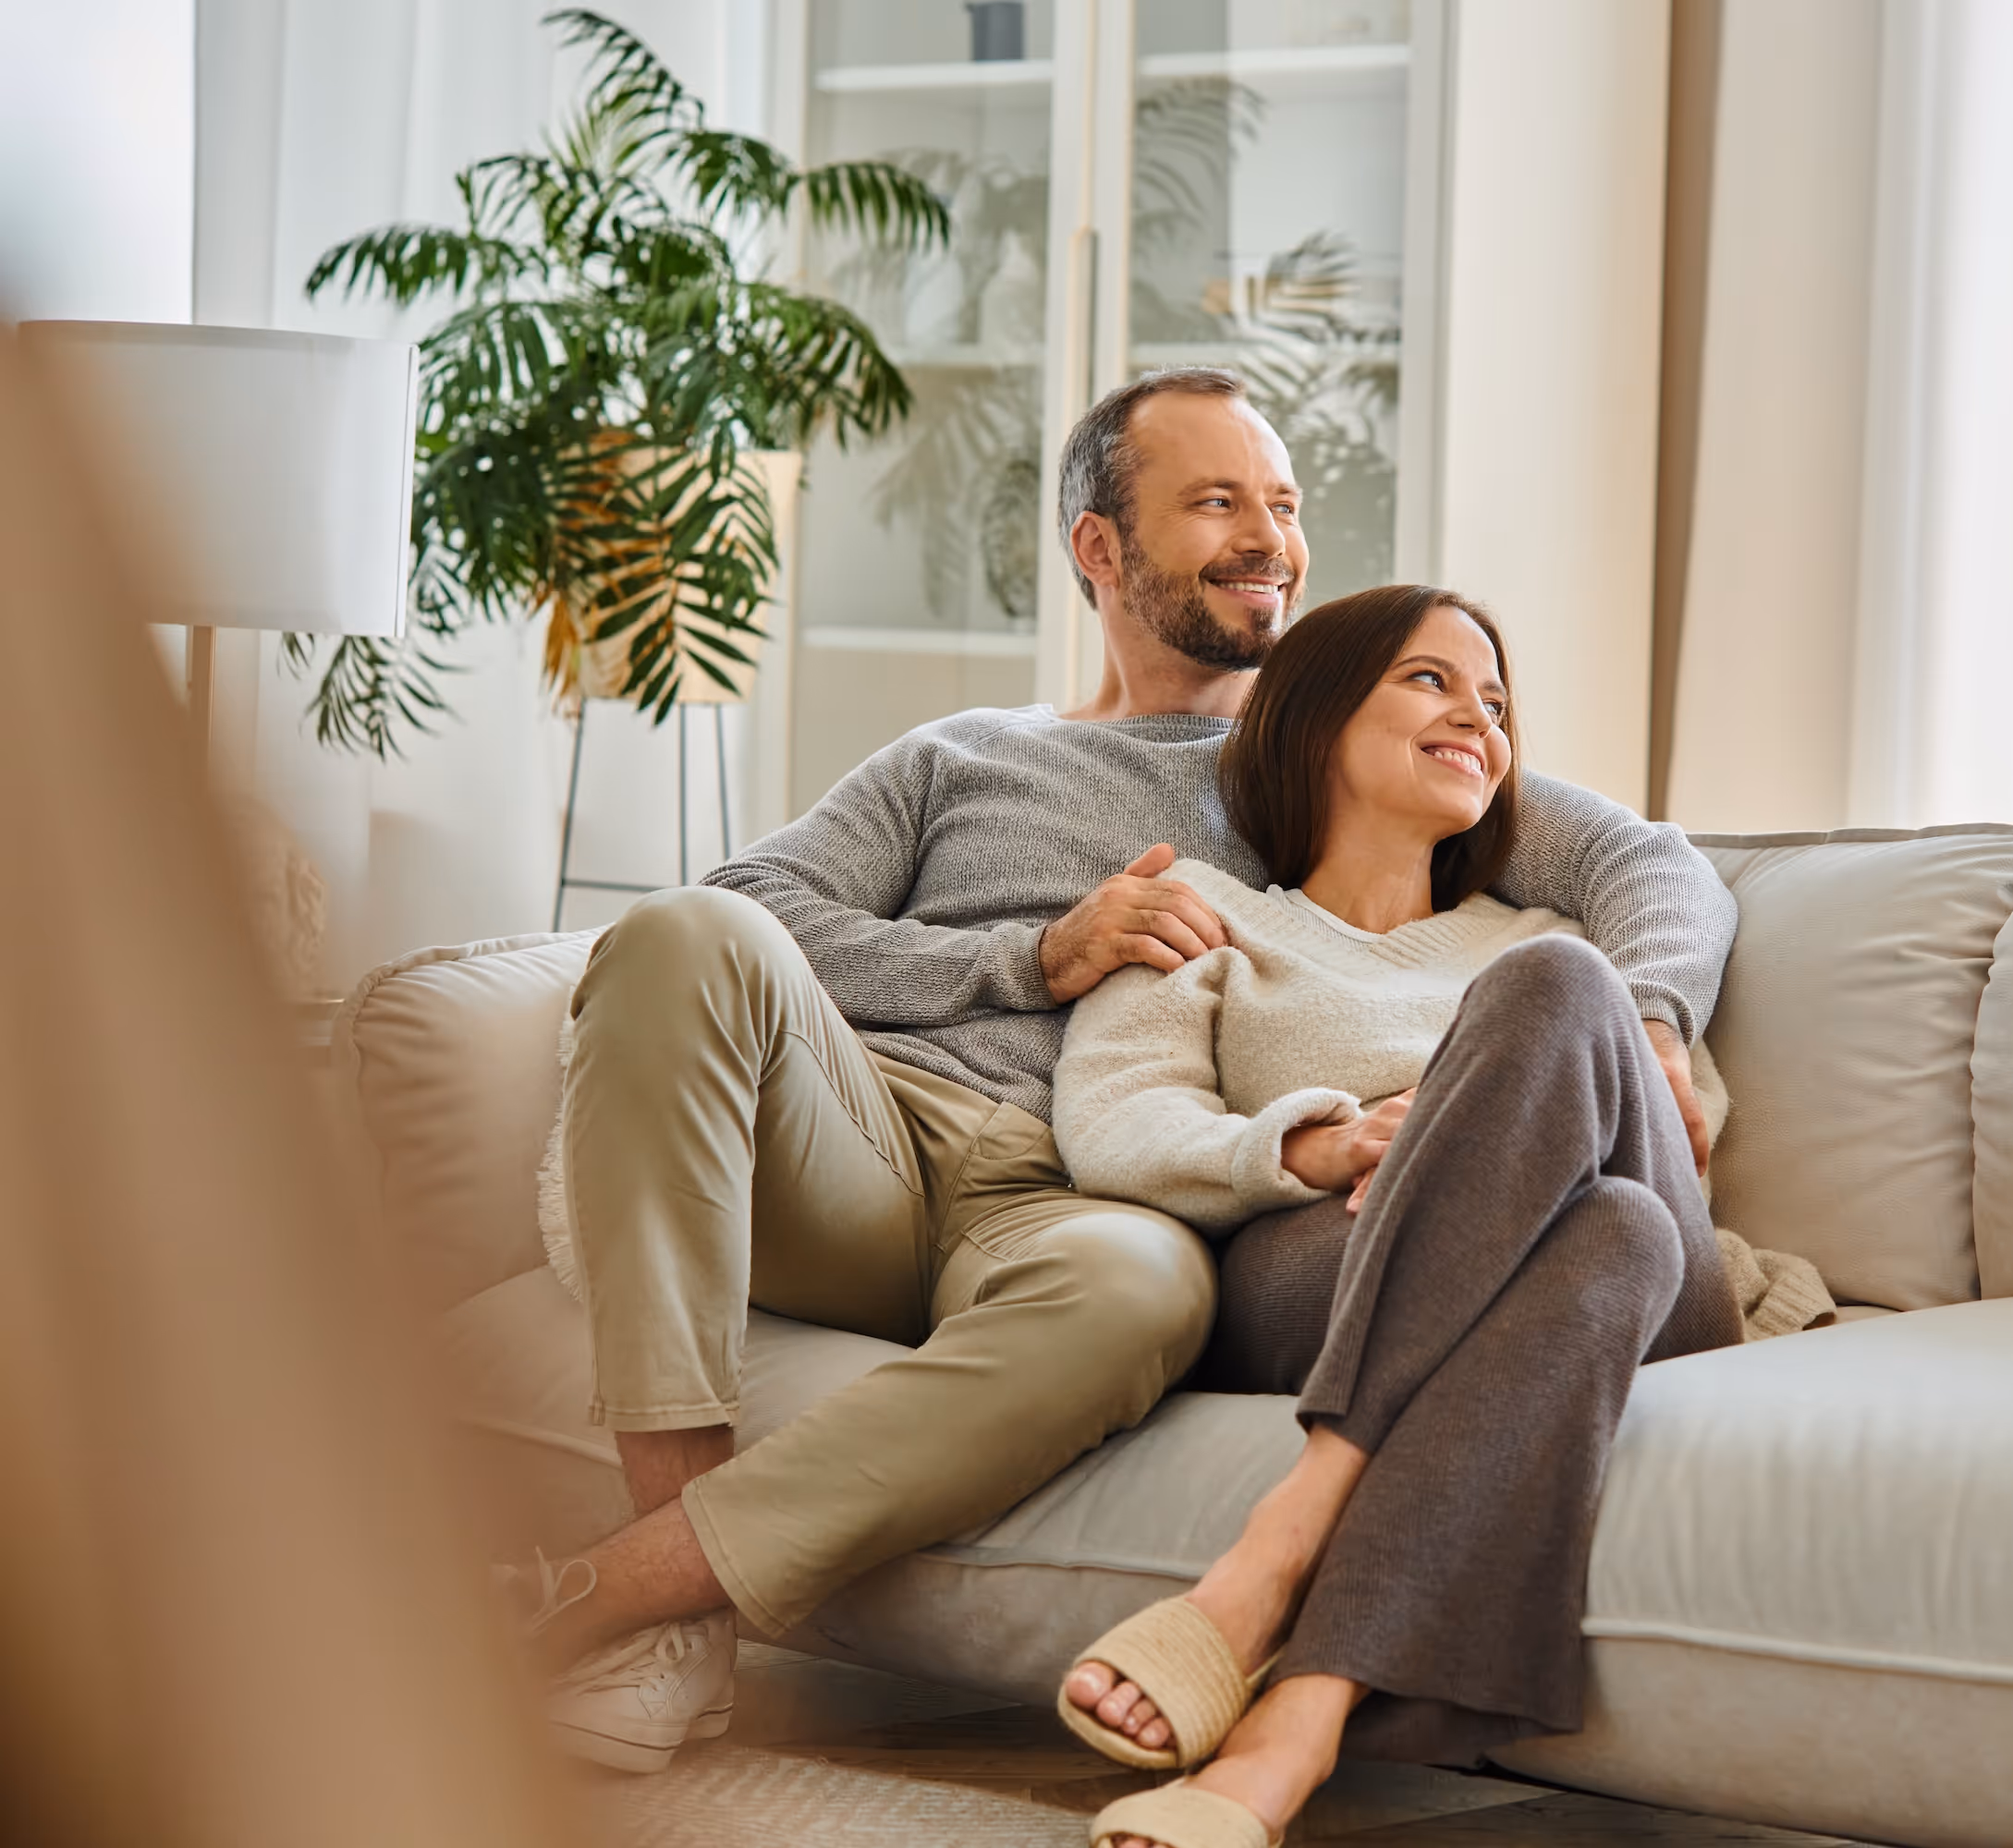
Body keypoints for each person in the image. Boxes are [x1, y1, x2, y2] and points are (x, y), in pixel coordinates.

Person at [503, 367, 1743, 1774]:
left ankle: (621, 1591)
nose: (1268, 538)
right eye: (1217, 503)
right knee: (680, 936)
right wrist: (1035, 957)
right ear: (1100, 547)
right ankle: (675, 1610)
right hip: (867, 1137)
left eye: (1281, 505)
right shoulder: (964, 755)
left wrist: (1650, 1026)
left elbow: (1653, 866)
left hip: (1081, 1194)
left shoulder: (1338, 746)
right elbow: (752, 902)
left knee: (1146, 1291)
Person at [1047, 584, 1826, 1848]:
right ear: (1314, 717)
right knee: (1608, 1237)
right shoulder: (1207, 914)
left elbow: (1671, 1136)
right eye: (1430, 681)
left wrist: (1475, 1126)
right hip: (1323, 1270)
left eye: (1497, 700)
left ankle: (1273, 1553)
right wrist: (1320, 1139)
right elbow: (1115, 1122)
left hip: (1669, 1302)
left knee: (1566, 1012)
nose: (1477, 713)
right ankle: (1294, 1732)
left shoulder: (1556, 947)